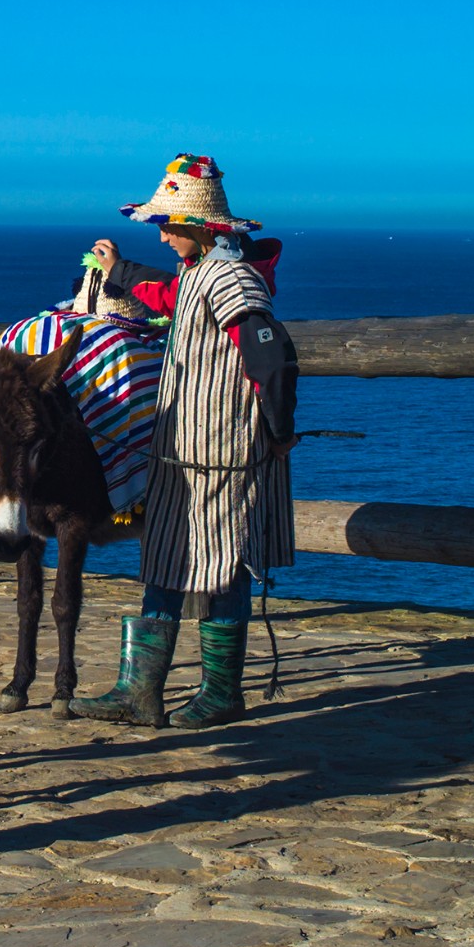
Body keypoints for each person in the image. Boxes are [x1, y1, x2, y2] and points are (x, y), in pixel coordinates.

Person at [69, 155, 298, 730]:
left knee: (223, 564)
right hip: (182, 448)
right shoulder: (201, 275)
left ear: (201, 226)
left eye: (169, 223)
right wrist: (118, 271)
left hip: (223, 448)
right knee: (167, 557)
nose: (164, 232)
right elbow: (168, 298)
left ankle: (221, 693)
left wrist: (277, 429)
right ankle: (138, 692)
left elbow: (269, 353)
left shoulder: (234, 279)